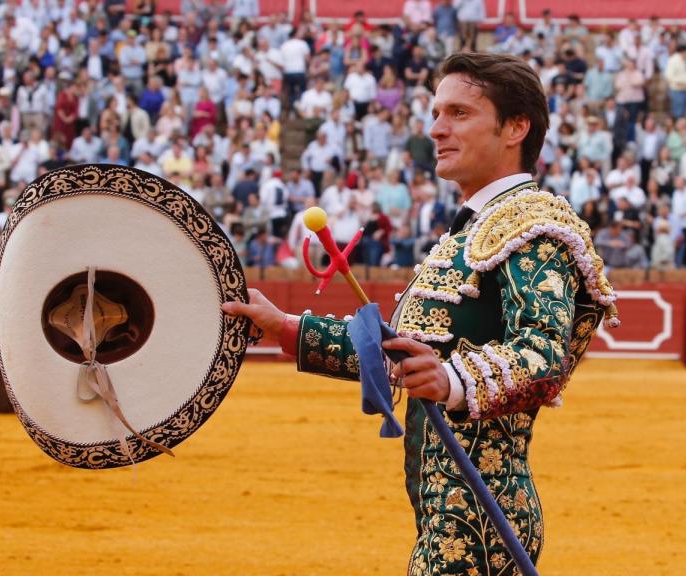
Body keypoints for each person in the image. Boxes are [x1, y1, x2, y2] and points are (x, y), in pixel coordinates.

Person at [222, 53, 617, 574]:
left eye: (458, 113)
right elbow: (405, 352)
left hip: (484, 518)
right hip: (448, 510)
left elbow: (542, 356)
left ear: (516, 128)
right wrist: (288, 327)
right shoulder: (473, 229)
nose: (435, 129)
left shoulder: (533, 227)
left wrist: (450, 377)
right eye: (436, 113)